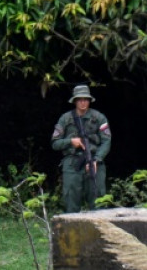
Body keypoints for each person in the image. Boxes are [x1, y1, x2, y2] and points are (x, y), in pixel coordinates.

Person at [51, 84, 111, 213]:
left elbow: (106, 141)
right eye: (80, 99)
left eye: (86, 99)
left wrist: (96, 159)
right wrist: (70, 141)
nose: (83, 102)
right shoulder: (65, 118)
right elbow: (55, 143)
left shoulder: (99, 117)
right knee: (71, 202)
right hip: (72, 163)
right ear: (75, 101)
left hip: (94, 162)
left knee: (98, 202)